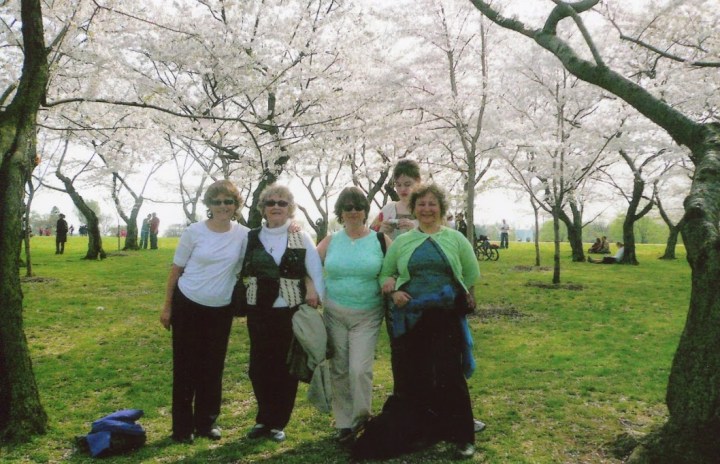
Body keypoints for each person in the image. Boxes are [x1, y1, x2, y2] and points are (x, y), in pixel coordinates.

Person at [355, 183, 480, 460]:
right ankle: (425, 431)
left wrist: (468, 296)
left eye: (432, 204)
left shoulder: (455, 239)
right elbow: (386, 274)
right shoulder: (403, 241)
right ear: (414, 208)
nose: (427, 209)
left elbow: (471, 273)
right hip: (411, 317)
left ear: (441, 208)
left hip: (445, 316)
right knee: (417, 377)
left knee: (450, 375)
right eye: (421, 204)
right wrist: (394, 291)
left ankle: (463, 437)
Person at [160, 179, 248, 443]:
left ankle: (206, 423)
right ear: (209, 204)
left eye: (228, 201)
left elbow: (273, 236)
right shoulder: (194, 232)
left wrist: (295, 226)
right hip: (188, 304)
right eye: (217, 202)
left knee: (212, 368)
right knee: (185, 368)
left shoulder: (244, 235)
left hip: (220, 310)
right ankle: (182, 428)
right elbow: (176, 269)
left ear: (236, 205)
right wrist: (167, 307)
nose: (223, 206)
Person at [242, 184, 324, 443]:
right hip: (258, 311)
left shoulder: (301, 236)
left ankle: (278, 422)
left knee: (285, 369)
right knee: (258, 368)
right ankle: (263, 418)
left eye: (282, 203)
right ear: (263, 208)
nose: (276, 207)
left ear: (290, 208)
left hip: (290, 312)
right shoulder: (251, 237)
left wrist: (315, 293)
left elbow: (314, 270)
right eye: (270, 203)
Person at [316, 187, 392, 444]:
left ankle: (361, 420)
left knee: (359, 369)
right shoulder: (331, 241)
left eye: (358, 207)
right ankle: (344, 423)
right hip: (334, 313)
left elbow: (395, 267)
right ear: (340, 211)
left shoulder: (380, 240)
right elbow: (308, 264)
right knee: (339, 369)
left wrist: (391, 280)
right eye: (347, 207)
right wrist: (311, 289)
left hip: (367, 315)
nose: (353, 212)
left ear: (365, 210)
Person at [370, 159, 421, 239]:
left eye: (407, 184)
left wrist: (416, 231)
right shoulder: (388, 210)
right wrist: (381, 233)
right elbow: (370, 239)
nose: (402, 189)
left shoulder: (427, 209)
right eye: (398, 185)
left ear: (418, 181)